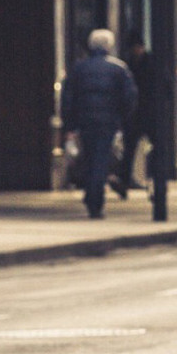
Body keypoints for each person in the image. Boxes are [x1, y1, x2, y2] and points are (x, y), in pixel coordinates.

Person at [61, 29, 137, 219]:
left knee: (88, 158)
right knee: (100, 160)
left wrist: (70, 124)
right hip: (107, 122)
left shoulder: (79, 68)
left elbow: (68, 98)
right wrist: (121, 118)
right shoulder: (119, 69)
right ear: (109, 46)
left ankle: (90, 194)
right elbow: (129, 98)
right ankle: (95, 200)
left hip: (85, 121)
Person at [110, 31, 156, 200]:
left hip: (149, 112)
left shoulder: (150, 63)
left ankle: (154, 184)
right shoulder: (128, 65)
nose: (135, 50)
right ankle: (124, 181)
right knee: (129, 149)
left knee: (154, 148)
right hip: (134, 113)